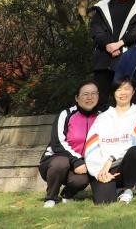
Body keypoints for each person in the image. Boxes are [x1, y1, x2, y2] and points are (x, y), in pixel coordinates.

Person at [84, 76, 136, 204]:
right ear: (113, 93)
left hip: (125, 167)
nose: (122, 93)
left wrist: (112, 158)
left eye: (126, 89)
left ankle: (128, 189)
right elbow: (91, 146)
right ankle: (118, 190)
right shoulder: (102, 117)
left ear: (133, 91)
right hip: (104, 168)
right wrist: (98, 171)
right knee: (104, 202)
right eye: (118, 89)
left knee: (135, 151)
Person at [40, 80, 101, 208]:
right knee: (61, 163)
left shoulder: (102, 117)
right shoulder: (66, 114)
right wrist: (76, 160)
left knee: (82, 179)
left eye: (93, 93)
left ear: (98, 96)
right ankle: (51, 198)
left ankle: (67, 195)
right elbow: (57, 143)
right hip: (55, 161)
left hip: (80, 165)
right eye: (85, 94)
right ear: (77, 98)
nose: (90, 97)